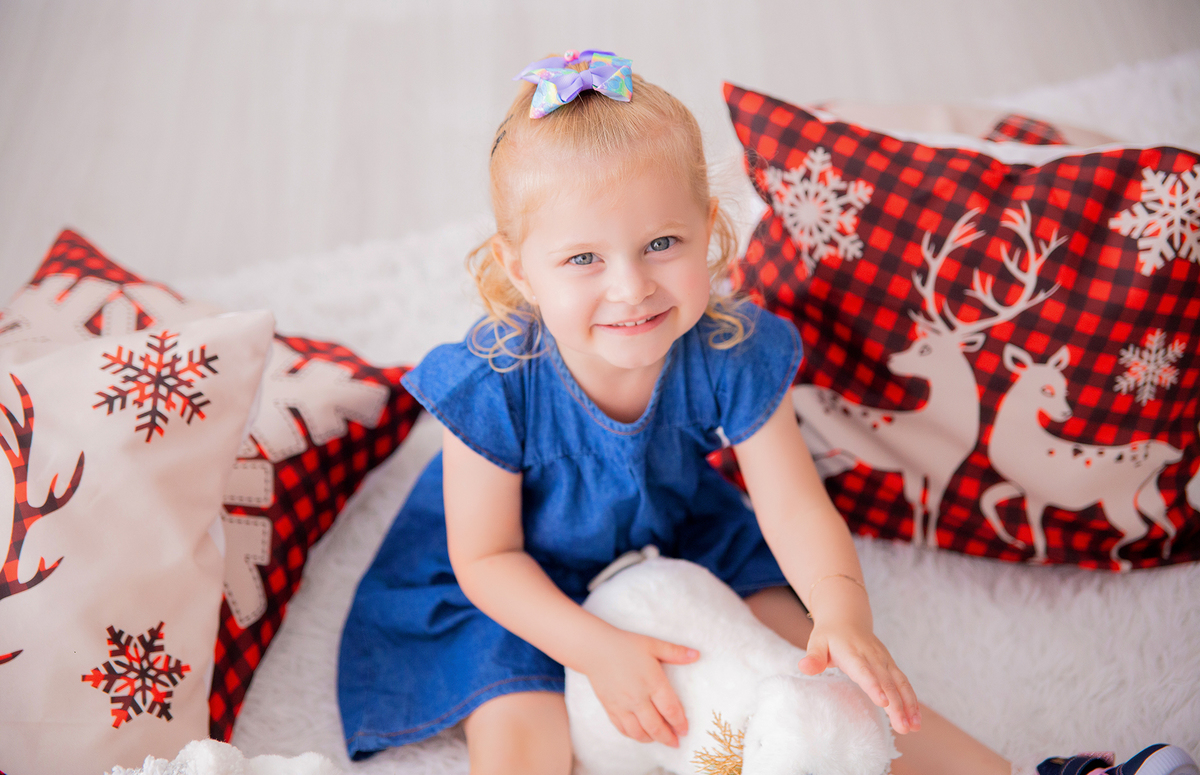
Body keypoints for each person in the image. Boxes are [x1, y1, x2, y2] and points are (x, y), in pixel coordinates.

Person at [337, 50, 1199, 775]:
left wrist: (841, 613)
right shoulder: (491, 378)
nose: (632, 287)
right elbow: (485, 558)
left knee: (829, 678)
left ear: (709, 230)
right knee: (526, 735)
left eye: (662, 244)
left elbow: (790, 502)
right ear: (520, 272)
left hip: (673, 532)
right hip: (519, 581)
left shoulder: (725, 344)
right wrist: (594, 647)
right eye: (583, 259)